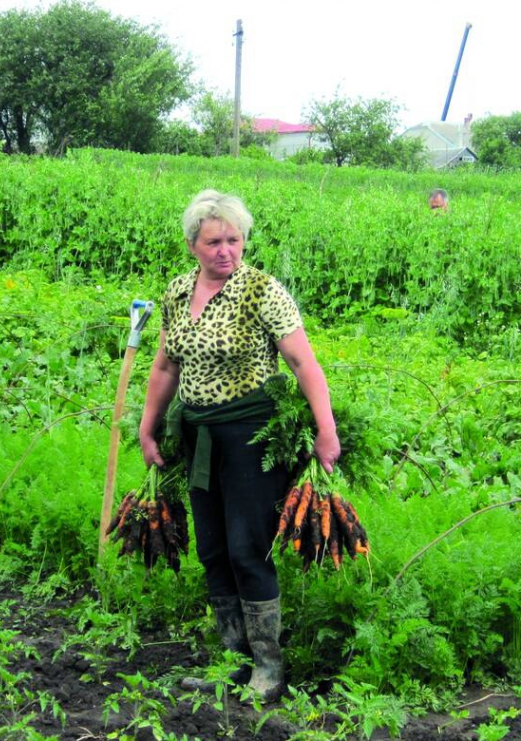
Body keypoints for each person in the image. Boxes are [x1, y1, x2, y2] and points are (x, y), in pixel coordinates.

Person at [139, 189, 341, 703]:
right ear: (192, 245)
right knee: (211, 548)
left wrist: (325, 428)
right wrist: (149, 426)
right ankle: (232, 659)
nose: (225, 250)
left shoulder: (262, 291)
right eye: (213, 241)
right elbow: (165, 366)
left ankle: (268, 668)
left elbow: (303, 364)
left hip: (253, 437)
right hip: (199, 439)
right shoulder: (178, 291)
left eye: (234, 239)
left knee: (247, 548)